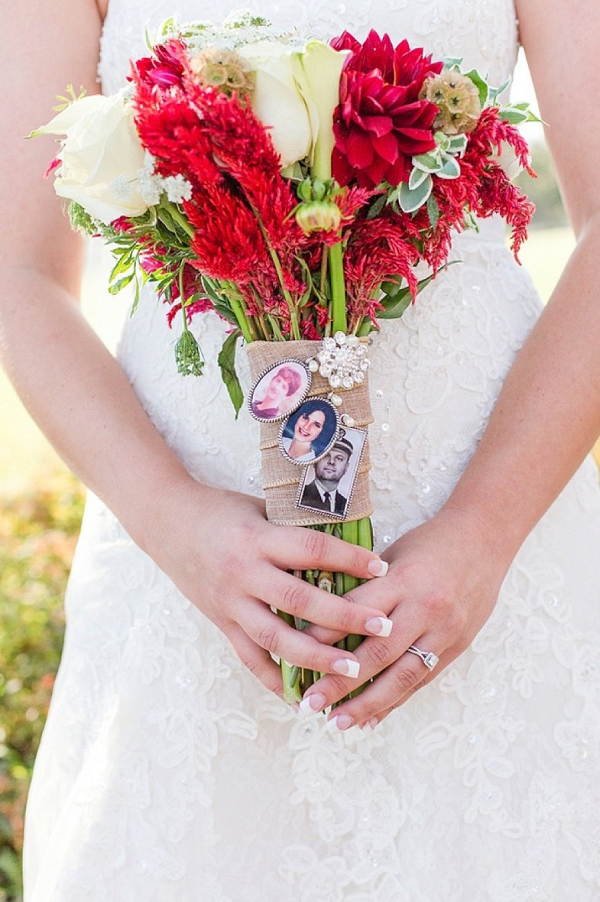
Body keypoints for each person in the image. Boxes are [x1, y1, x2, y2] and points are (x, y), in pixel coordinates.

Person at [4, 0, 600, 899]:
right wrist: (175, 522)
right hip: (188, 559)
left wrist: (487, 529)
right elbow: (17, 272)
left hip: (491, 536)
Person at [299, 431, 353, 515]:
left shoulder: (345, 504)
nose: (331, 462)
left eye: (339, 458)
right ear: (314, 460)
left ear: (346, 467)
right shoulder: (302, 495)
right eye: (325, 455)